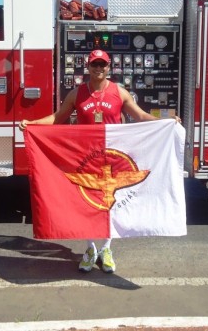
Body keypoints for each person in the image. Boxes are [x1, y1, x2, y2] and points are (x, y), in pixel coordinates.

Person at [19, 49, 174, 274]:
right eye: (94, 64)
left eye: (102, 64)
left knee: (111, 203)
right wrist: (32, 124)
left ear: (109, 67)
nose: (98, 68)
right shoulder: (77, 93)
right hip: (87, 157)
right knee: (88, 202)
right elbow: (58, 117)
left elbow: (140, 116)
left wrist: (166, 121)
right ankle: (91, 248)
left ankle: (106, 249)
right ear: (88, 67)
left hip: (113, 156)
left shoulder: (119, 92)